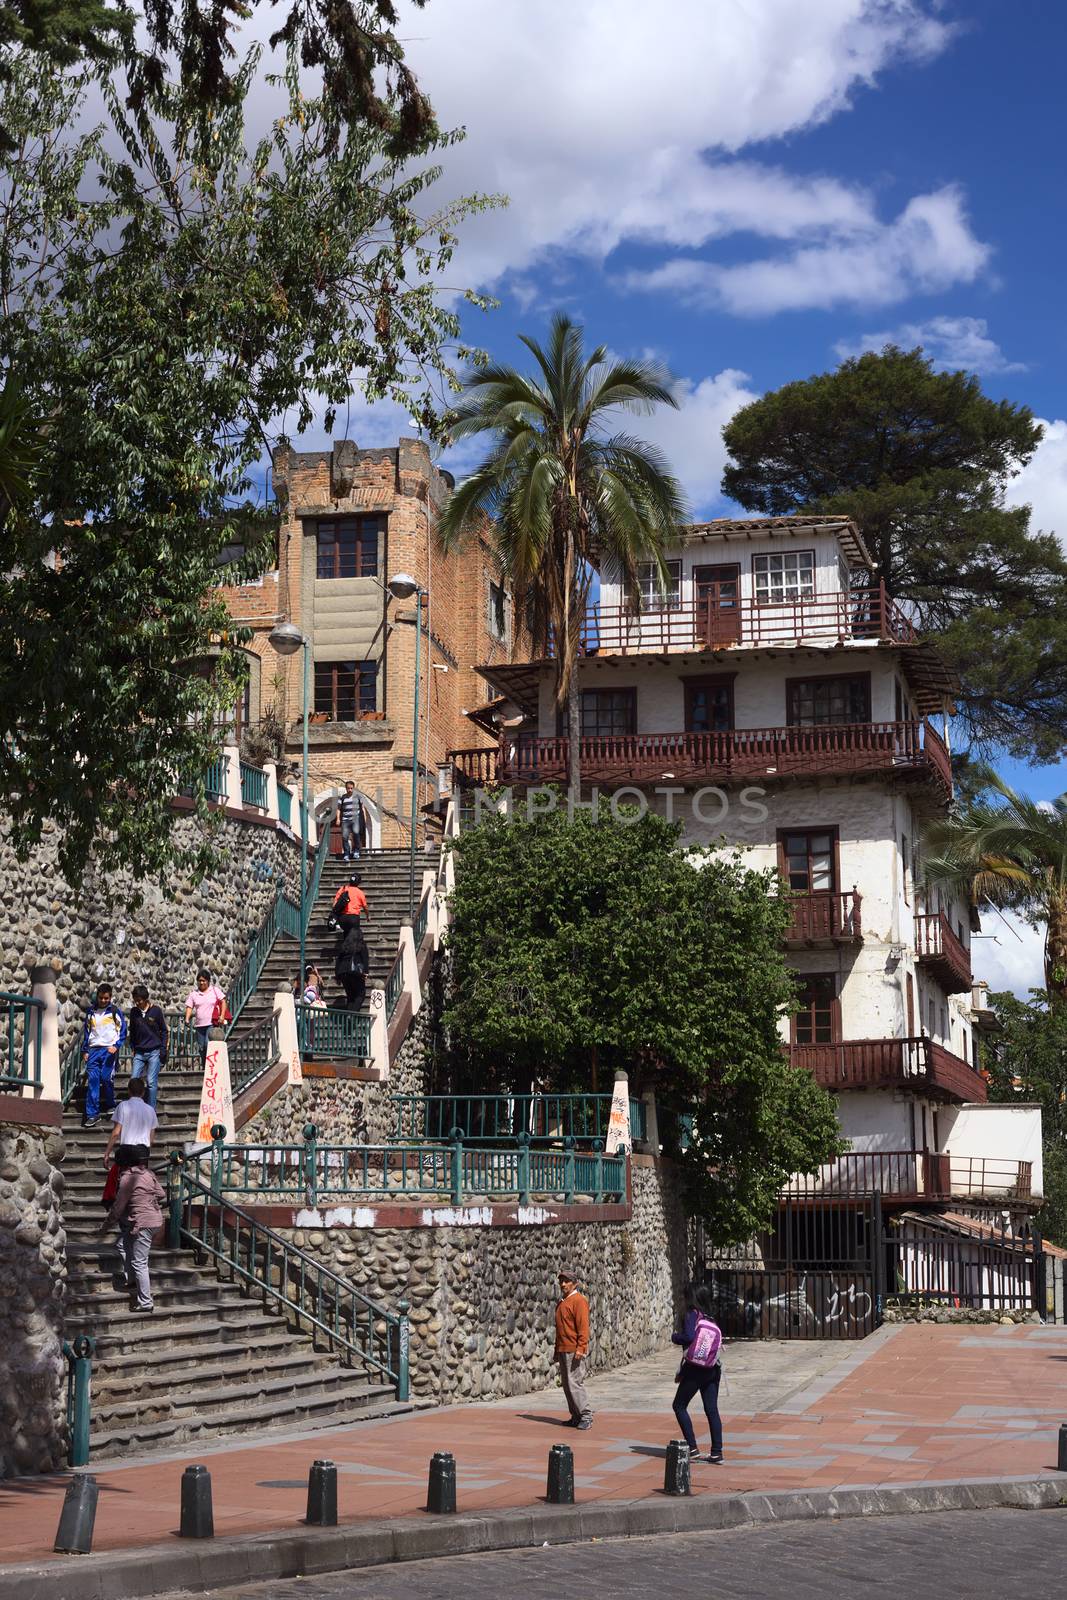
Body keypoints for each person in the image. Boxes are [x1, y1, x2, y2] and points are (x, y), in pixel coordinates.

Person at [105, 1146, 165, 1312]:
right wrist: (147, 1197)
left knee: (140, 1263)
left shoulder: (127, 1179)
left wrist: (106, 1225)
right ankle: (131, 1279)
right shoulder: (148, 1174)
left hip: (142, 1223)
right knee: (122, 1245)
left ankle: (145, 1302)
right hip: (153, 1220)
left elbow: (118, 1208)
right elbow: (161, 1194)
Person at [670, 1282, 724, 1465]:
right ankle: (717, 1452)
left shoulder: (691, 1314)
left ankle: (692, 1448)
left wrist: (674, 1337)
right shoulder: (710, 1317)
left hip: (695, 1370)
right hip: (713, 1369)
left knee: (679, 1405)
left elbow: (688, 1338)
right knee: (712, 1410)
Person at [80, 983, 127, 1128]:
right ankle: (92, 1114)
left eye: (106, 998)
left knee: (106, 1078)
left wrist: (116, 1046)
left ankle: (111, 1104)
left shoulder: (114, 1011)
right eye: (101, 998)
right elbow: (87, 1032)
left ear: (110, 997)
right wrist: (85, 1050)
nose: (103, 1000)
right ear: (97, 997)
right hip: (93, 1051)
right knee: (93, 1080)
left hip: (108, 1050)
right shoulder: (91, 1012)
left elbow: (123, 1030)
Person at [554, 1269, 592, 1430]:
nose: (563, 1284)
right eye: (561, 1281)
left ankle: (586, 1415)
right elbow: (560, 1328)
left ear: (574, 1283)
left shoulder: (579, 1301)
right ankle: (575, 1416)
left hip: (573, 1349)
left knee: (575, 1383)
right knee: (566, 1384)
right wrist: (557, 1350)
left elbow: (583, 1327)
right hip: (563, 1349)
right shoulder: (562, 1302)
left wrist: (581, 1348)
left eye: (567, 1281)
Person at [102, 1077, 158, 1169]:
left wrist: (107, 1153)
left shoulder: (122, 1106)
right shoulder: (150, 1110)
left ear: (129, 1091)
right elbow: (151, 1139)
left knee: (124, 1178)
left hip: (126, 1149)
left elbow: (116, 1133)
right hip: (143, 1151)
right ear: (143, 1092)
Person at [127, 984, 168, 1108]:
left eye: (140, 1000)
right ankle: (133, 1108)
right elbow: (132, 1030)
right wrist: (133, 1046)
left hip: (154, 1051)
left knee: (151, 1082)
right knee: (133, 1080)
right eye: (136, 1001)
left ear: (145, 999)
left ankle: (151, 1110)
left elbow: (164, 1030)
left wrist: (163, 1049)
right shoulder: (134, 1012)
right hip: (139, 1052)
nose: (138, 1003)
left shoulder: (156, 1011)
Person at [184, 969, 226, 1064]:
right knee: (201, 1047)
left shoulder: (214, 990)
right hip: (199, 1025)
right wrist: (187, 1019)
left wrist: (222, 1016)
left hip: (211, 1023)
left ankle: (211, 1065)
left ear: (208, 981)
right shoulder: (194, 994)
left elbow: (223, 1001)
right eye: (200, 980)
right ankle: (205, 1065)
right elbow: (189, 1007)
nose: (202, 982)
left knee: (208, 1044)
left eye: (204, 980)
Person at [334, 924, 369, 1010]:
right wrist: (366, 972)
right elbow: (365, 959)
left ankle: (350, 1019)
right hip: (355, 972)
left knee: (350, 996)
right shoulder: (361, 944)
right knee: (361, 995)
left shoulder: (345, 945)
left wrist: (337, 975)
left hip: (343, 972)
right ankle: (352, 1016)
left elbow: (338, 960)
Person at [338, 780, 364, 862]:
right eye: (348, 788)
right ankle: (346, 854)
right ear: (346, 788)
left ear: (353, 788)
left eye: (351, 788)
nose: (350, 790)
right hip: (345, 820)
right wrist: (338, 818)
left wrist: (364, 819)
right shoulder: (342, 798)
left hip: (355, 819)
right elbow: (338, 809)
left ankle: (356, 851)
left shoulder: (358, 797)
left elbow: (363, 808)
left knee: (356, 834)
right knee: (344, 837)